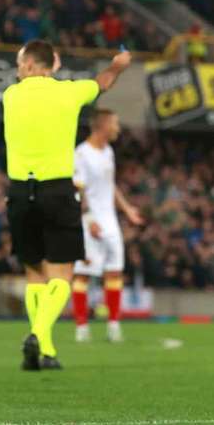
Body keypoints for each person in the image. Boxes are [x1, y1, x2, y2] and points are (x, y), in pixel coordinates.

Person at [3, 39, 131, 371]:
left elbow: (31, 83)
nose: (17, 71)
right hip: (57, 190)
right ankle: (37, 334)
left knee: (34, 273)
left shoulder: (11, 96)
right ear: (54, 66)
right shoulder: (69, 93)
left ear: (30, 65)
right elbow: (103, 83)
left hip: (19, 192)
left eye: (20, 64)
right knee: (62, 274)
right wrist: (117, 65)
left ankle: (45, 350)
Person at [71, 109, 143, 343]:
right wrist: (89, 219)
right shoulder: (81, 154)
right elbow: (79, 189)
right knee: (83, 274)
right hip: (89, 221)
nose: (118, 129)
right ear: (102, 126)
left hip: (110, 220)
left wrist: (127, 209)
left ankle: (113, 325)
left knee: (114, 271)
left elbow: (110, 186)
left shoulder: (108, 151)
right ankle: (81, 327)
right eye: (115, 124)